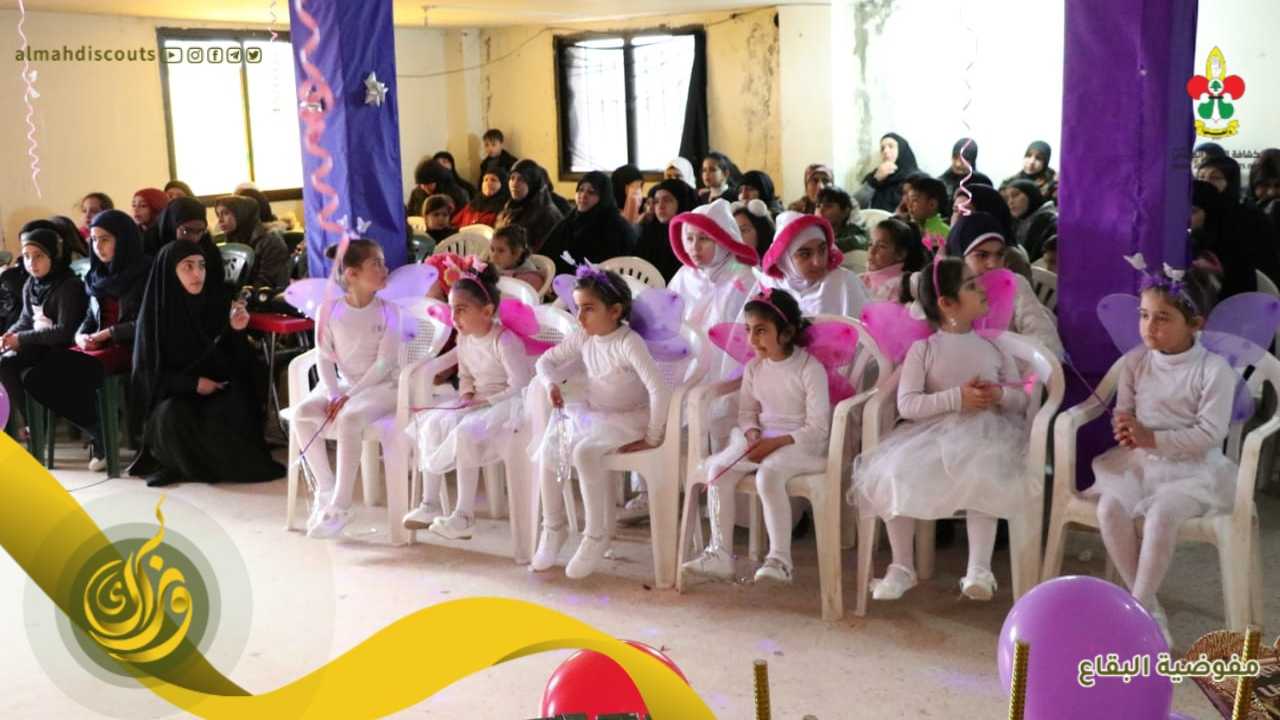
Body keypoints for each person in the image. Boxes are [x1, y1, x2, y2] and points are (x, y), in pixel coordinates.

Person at [852, 257, 1031, 602]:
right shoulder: (924, 350)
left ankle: (979, 569)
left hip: (985, 434)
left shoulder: (994, 347)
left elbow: (1021, 398)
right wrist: (956, 398)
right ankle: (902, 565)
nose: (982, 289)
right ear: (947, 304)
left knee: (984, 473)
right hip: (931, 434)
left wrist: (998, 395)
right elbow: (908, 405)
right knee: (894, 471)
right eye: (971, 285)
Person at [1087, 263, 1231, 644]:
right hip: (1141, 464)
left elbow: (1210, 433)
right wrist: (1124, 426)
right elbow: (1125, 409)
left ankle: (1136, 610)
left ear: (1195, 323)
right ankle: (1147, 607)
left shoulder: (1213, 369)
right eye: (1144, 315)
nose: (1149, 326)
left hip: (1192, 471)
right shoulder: (1136, 362)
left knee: (1161, 515)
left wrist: (1152, 438)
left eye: (1163, 318)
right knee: (1109, 509)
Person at [529, 268, 670, 579]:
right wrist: (550, 384)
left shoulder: (629, 342)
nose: (580, 317)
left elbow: (659, 388)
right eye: (577, 308)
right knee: (551, 446)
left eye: (588, 309)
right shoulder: (584, 336)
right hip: (594, 413)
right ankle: (553, 527)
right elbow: (545, 361)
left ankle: (596, 534)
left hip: (629, 419)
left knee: (584, 453)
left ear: (615, 311)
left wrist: (653, 436)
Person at [682, 287, 829, 584]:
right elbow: (748, 413)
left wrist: (774, 444)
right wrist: (752, 434)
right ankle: (720, 553)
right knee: (717, 469)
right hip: (764, 439)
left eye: (761, 331)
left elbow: (818, 427)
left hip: (804, 444)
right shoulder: (754, 368)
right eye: (749, 330)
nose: (751, 340)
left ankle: (780, 560)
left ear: (786, 333)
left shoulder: (809, 369)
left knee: (768, 475)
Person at [127, 240, 282, 486]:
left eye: (201, 266)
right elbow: (148, 376)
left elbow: (239, 364)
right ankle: (177, 465)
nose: (197, 274)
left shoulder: (217, 304)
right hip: (176, 394)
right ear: (171, 272)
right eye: (187, 267)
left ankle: (190, 466)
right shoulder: (156, 316)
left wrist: (237, 331)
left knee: (230, 409)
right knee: (170, 416)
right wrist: (193, 384)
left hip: (218, 389)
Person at [404, 261, 534, 539]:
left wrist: (486, 402)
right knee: (432, 424)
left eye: (461, 309)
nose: (454, 317)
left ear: (486, 311)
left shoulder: (503, 340)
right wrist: (466, 395)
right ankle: (429, 503)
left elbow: (521, 385)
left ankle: (464, 516)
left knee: (465, 433)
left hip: (508, 404)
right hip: (479, 401)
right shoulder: (465, 339)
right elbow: (465, 375)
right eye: (451, 309)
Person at [291, 240, 405, 536]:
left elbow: (384, 364)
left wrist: (347, 397)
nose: (385, 269)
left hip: (383, 388)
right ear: (352, 274)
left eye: (383, 262)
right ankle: (326, 489)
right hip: (344, 385)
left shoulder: (391, 311)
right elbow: (324, 356)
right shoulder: (328, 310)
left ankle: (342, 505)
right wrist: (333, 393)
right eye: (376, 264)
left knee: (350, 417)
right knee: (302, 414)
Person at [22, 210, 151, 468]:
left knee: (69, 372)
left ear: (124, 239)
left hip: (130, 346)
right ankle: (100, 432)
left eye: (105, 239)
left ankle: (104, 438)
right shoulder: (96, 275)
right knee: (35, 377)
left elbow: (147, 322)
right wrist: (81, 335)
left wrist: (109, 334)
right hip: (97, 343)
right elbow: (91, 317)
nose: (97, 246)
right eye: (93, 240)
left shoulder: (146, 271)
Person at [1, 228, 88, 439]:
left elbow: (65, 331)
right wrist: (7, 337)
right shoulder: (31, 284)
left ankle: (36, 423)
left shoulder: (68, 286)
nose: (32, 263)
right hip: (37, 344)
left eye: (39, 256)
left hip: (60, 347)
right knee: (3, 359)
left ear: (53, 255)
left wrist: (21, 339)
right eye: (27, 256)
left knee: (6, 363)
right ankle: (27, 422)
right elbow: (25, 320)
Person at [668, 199, 760, 388]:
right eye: (689, 238)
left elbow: (740, 340)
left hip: (725, 372)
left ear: (724, 240)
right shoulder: (685, 274)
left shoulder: (744, 278)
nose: (695, 247)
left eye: (704, 239)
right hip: (683, 361)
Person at [946, 212, 1064, 358]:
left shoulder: (1014, 285)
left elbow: (1047, 343)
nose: (993, 264)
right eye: (982, 255)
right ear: (959, 258)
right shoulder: (945, 290)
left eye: (999, 254)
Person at [759, 211, 869, 318]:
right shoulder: (770, 285)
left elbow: (863, 328)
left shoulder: (843, 284)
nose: (818, 262)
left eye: (822, 250)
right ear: (785, 259)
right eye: (805, 254)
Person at [540, 172, 637, 276]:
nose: (583, 195)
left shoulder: (616, 227)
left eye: (591, 192)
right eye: (580, 190)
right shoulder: (570, 221)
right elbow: (546, 255)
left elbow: (618, 268)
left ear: (604, 197)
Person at [215, 195, 290, 289]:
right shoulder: (232, 238)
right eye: (218, 215)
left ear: (242, 214)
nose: (220, 220)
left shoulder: (271, 241)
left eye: (226, 213)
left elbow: (267, 282)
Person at [634, 178, 698, 282]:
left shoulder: (692, 235)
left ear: (681, 202)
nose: (660, 206)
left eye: (667, 200)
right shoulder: (649, 233)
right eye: (656, 201)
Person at [495, 159, 563, 252]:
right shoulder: (509, 208)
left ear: (532, 183)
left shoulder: (547, 214)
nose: (514, 184)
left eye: (521, 179)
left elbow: (543, 253)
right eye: (512, 178)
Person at [861, 217, 928, 303]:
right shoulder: (864, 278)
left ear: (900, 254)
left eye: (881, 246)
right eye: (870, 244)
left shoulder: (897, 288)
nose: (872, 251)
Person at [1001, 179, 1058, 262]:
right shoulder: (1017, 222)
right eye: (1007, 198)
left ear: (1031, 195)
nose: (1010, 202)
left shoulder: (1050, 222)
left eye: (1015, 195)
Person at [861, 133, 919, 212]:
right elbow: (855, 206)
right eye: (882, 148)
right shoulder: (875, 175)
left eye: (891, 146)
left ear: (902, 149)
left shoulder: (916, 179)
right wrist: (874, 181)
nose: (885, 151)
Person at [487, 225, 546, 292]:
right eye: (492, 249)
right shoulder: (498, 268)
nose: (494, 256)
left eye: (501, 251)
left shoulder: (531, 279)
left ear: (517, 253)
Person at [937, 138, 993, 207]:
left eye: (963, 160)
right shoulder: (941, 183)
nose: (958, 164)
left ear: (972, 160)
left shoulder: (983, 184)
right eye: (955, 158)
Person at [900, 174, 951, 246]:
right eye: (909, 200)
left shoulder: (945, 234)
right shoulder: (905, 226)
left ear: (932, 204)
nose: (909, 205)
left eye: (914, 200)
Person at [815, 186, 866, 252]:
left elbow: (863, 241)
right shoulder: (814, 232)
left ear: (845, 211)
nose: (821, 211)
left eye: (828, 206)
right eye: (818, 206)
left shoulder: (853, 230)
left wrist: (829, 246)